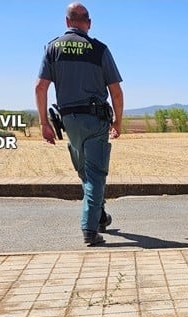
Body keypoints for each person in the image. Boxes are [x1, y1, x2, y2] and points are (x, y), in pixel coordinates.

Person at [35, 3, 123, 246]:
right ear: (89, 23)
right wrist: (118, 121)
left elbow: (40, 87)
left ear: (67, 22)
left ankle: (100, 215)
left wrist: (44, 123)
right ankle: (89, 229)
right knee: (95, 174)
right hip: (95, 120)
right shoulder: (99, 49)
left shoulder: (53, 48)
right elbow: (116, 92)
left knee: (85, 171)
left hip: (69, 121)